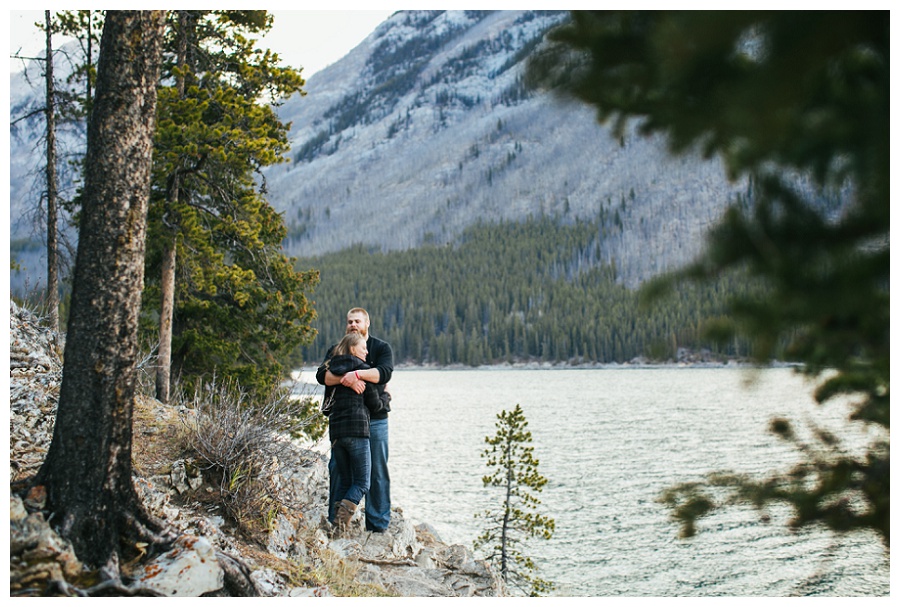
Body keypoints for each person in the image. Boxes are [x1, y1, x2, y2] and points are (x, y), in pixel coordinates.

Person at [316, 307, 394, 532]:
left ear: (367, 323)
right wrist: (348, 379)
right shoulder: (336, 349)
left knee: (377, 470)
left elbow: (384, 373)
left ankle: (377, 524)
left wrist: (357, 374)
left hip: (376, 418)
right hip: (347, 419)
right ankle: (336, 521)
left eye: (357, 321)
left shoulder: (380, 348)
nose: (353, 325)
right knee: (338, 470)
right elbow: (323, 376)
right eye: (349, 321)